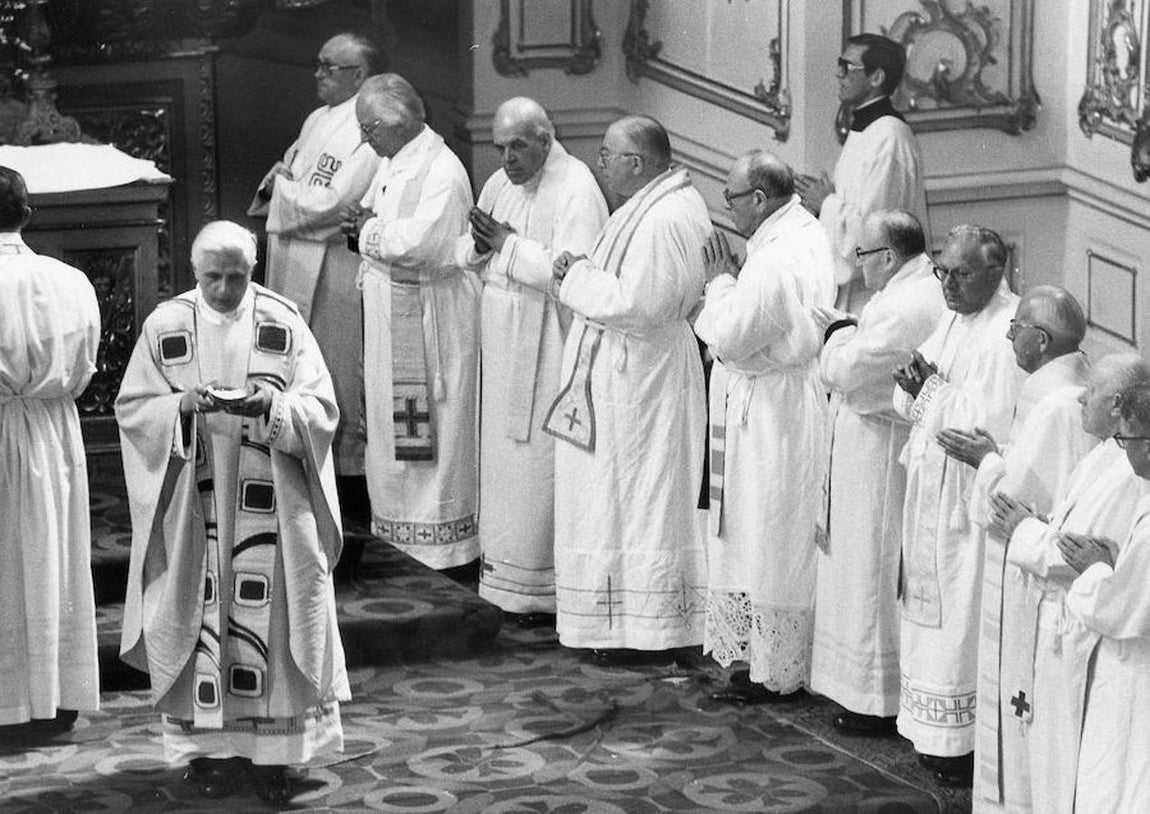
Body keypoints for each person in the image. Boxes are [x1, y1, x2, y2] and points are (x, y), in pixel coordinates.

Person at [116, 221, 349, 804]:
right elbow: (134, 407)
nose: (224, 289)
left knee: (277, 618)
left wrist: (277, 405)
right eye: (212, 277)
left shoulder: (283, 322)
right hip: (194, 503)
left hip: (273, 497)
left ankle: (275, 758)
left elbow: (321, 407)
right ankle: (213, 754)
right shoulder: (166, 325)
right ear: (195, 273)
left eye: (237, 277)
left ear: (254, 271)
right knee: (200, 615)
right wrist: (179, 406)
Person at [542, 115, 710, 657]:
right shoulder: (654, 204)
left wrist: (572, 278)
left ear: (636, 164)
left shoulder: (662, 217)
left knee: (636, 498)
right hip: (633, 372)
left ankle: (643, 631)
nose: (601, 163)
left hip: (643, 378)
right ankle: (620, 626)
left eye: (609, 154)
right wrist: (583, 267)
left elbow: (640, 305)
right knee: (617, 497)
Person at [454, 97, 608, 623]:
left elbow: (575, 275)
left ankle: (541, 588)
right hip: (502, 342)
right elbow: (468, 251)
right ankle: (504, 582)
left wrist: (508, 246)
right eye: (500, 147)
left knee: (536, 461)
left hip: (548, 344)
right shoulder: (500, 184)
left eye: (517, 145)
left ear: (546, 137)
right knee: (502, 460)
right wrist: (481, 246)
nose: (507, 158)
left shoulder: (578, 187)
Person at [943, 287, 1094, 809]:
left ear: (1042, 338)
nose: (1010, 334)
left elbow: (1008, 507)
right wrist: (998, 454)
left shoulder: (1056, 405)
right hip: (1040, 570)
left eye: (1017, 327)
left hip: (1036, 584)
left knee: (1023, 709)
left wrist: (986, 461)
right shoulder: (1066, 390)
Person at [692, 150, 834, 701]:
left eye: (730, 196)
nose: (725, 206)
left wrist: (719, 284)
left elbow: (730, 337)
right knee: (765, 530)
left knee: (766, 534)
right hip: (778, 400)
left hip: (772, 411)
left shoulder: (774, 259)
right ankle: (761, 657)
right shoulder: (804, 231)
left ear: (758, 199)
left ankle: (772, 669)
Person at [989, 353, 1150, 814]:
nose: (1081, 397)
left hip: (1113, 652)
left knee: (1110, 776)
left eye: (1092, 390)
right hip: (1087, 632)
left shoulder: (1130, 475)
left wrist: (1024, 530)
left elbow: (1108, 581)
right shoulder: (1108, 452)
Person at [892, 224, 1024, 785]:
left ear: (998, 272)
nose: (947, 283)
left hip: (967, 496)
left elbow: (985, 423)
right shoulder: (955, 316)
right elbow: (912, 393)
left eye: (961, 273)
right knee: (927, 617)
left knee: (960, 617)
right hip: (930, 483)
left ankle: (961, 744)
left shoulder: (1007, 330)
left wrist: (930, 391)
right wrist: (915, 386)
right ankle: (932, 734)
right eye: (942, 271)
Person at [808, 210, 945, 732]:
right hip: (868, 442)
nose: (856, 263)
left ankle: (875, 697)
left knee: (872, 567)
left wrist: (837, 332)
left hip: (882, 450)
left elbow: (844, 370)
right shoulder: (907, 292)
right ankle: (860, 689)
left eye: (861, 254)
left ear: (888, 257)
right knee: (859, 566)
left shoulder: (906, 305)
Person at [340, 74, 480, 570]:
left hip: (430, 320)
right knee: (388, 422)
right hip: (393, 316)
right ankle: (400, 536)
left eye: (367, 128)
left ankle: (442, 548)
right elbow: (380, 227)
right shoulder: (397, 162)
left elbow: (423, 244)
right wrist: (364, 229)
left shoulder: (440, 168)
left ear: (391, 124)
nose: (364, 139)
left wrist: (366, 231)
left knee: (432, 426)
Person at [248, 33, 383, 503]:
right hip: (294, 260)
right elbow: (284, 172)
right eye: (318, 64)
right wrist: (285, 189)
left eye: (329, 67)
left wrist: (285, 192)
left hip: (334, 272)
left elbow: (336, 204)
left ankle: (345, 480)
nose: (317, 74)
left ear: (359, 75)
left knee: (336, 368)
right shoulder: (317, 119)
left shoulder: (370, 125)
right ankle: (300, 456)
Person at [0, 166, 101, 737]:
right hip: (52, 429)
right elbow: (86, 363)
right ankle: (55, 697)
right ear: (28, 214)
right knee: (51, 551)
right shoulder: (69, 280)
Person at [1063, 381, 1150, 812]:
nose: (1123, 449)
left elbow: (1120, 609)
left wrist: (1094, 568)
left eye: (1127, 439)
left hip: (1139, 674)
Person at [796, 33, 928, 315]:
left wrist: (827, 203)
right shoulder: (870, 131)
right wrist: (822, 202)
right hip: (859, 290)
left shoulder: (889, 138)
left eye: (847, 67)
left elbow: (877, 234)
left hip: (874, 297)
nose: (838, 74)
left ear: (876, 77)